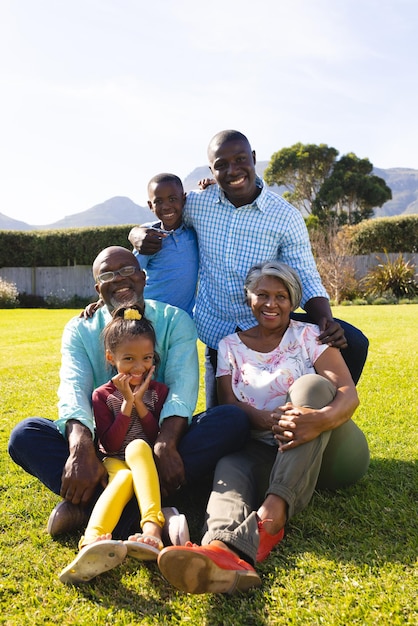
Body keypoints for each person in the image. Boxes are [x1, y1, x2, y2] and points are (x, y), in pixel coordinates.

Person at [156, 261, 369, 594]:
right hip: (267, 451)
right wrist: (268, 420)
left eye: (282, 296)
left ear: (293, 300)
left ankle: (272, 515)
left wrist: (315, 420)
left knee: (310, 387)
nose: (272, 304)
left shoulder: (310, 335)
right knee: (230, 465)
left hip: (332, 453)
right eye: (263, 295)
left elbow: (347, 392)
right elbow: (228, 404)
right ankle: (222, 550)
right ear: (249, 299)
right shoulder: (229, 346)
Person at [8, 246, 249, 539]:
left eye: (127, 270)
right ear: (98, 289)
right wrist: (81, 448)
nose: (119, 279)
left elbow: (182, 389)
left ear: (143, 277)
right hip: (106, 451)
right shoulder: (80, 328)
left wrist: (166, 442)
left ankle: (91, 510)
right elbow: (73, 388)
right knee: (25, 434)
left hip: (161, 442)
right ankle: (156, 513)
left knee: (230, 420)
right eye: (108, 275)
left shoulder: (175, 320)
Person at [129, 130, 369, 409]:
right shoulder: (196, 204)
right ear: (212, 170)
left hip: (268, 331)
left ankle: (321, 412)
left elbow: (304, 273)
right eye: (221, 165)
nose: (232, 170)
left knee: (352, 340)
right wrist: (135, 233)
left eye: (240, 159)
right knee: (222, 426)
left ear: (253, 159)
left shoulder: (285, 217)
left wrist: (325, 319)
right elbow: (164, 215)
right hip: (218, 335)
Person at [59, 304, 184, 584]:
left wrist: (140, 402)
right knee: (124, 475)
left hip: (145, 459)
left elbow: (153, 434)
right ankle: (91, 539)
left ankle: (152, 529)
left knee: (139, 446)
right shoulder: (102, 396)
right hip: (113, 459)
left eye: (147, 358)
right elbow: (110, 440)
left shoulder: (158, 392)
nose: (139, 368)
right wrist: (127, 403)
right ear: (110, 357)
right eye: (129, 359)